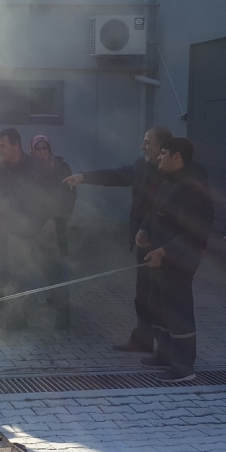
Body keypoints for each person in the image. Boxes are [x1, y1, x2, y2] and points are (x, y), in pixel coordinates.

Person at [63, 126, 172, 352]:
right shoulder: (142, 166)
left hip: (164, 245)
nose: (142, 146)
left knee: (163, 298)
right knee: (143, 294)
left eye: (147, 142)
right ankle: (143, 339)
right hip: (143, 241)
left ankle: (168, 350)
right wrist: (84, 177)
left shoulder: (172, 174)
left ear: (162, 147)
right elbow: (116, 175)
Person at [135, 137, 213, 382]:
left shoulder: (190, 189)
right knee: (160, 307)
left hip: (178, 261)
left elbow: (191, 234)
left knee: (178, 312)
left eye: (164, 152)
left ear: (176, 157)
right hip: (160, 257)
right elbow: (155, 212)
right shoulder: (169, 180)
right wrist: (144, 229)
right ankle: (165, 356)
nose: (159, 156)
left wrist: (164, 252)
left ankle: (182, 367)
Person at [0, 128, 47, 330]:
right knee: (6, 275)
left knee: (30, 274)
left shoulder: (37, 167)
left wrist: (50, 222)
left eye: (2, 146)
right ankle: (11, 317)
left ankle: (27, 315)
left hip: (34, 231)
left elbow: (51, 197)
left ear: (16, 146)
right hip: (4, 233)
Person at [30, 134, 76, 328]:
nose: (42, 153)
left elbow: (68, 197)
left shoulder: (62, 168)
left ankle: (63, 309)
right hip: (35, 225)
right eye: (37, 149)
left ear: (50, 150)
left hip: (57, 225)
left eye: (44, 149)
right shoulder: (29, 169)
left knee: (58, 266)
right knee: (34, 263)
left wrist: (56, 219)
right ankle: (36, 300)